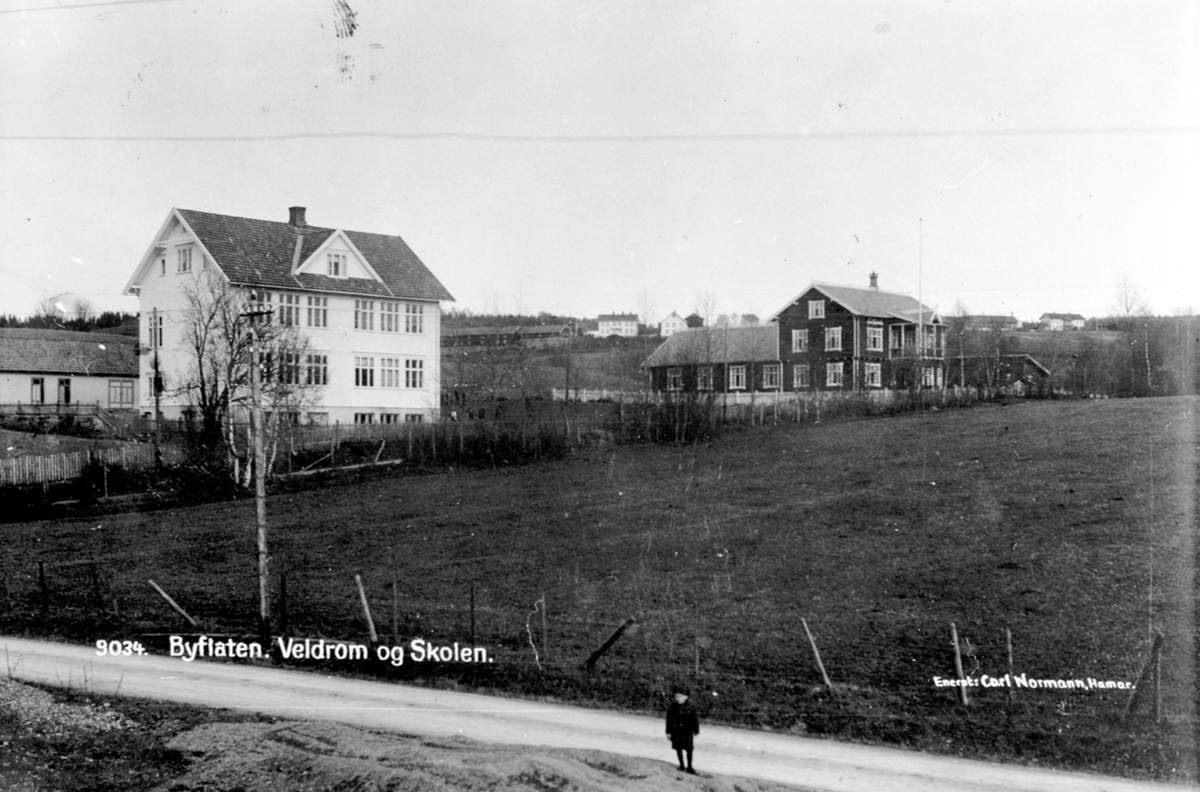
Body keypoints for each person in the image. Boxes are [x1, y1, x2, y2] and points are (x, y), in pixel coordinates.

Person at [665, 684, 699, 774]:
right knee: (678, 748)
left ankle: (690, 767)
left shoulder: (691, 707)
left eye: (680, 697)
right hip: (676, 732)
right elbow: (669, 720)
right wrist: (668, 732)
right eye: (676, 696)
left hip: (687, 731)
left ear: (686, 697)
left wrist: (696, 730)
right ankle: (682, 765)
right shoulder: (672, 707)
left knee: (689, 749)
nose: (678, 698)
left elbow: (695, 719)